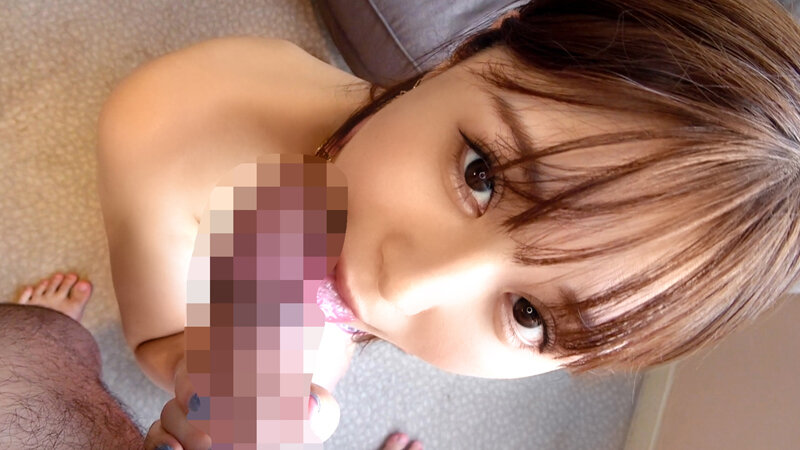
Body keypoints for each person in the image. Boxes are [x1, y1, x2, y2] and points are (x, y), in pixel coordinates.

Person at [96, 0, 800, 448]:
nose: (402, 288)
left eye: (529, 315)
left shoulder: (375, 228)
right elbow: (157, 339)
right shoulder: (163, 134)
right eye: (480, 175)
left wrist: (297, 393)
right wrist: (202, 372)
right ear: (479, 44)